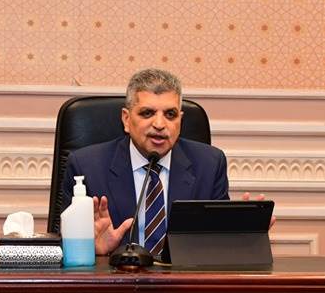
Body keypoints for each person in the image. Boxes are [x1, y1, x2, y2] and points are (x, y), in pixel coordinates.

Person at [61, 68, 230, 257]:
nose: (159, 124)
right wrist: (90, 250)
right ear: (126, 119)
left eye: (170, 114)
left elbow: (220, 245)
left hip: (183, 275)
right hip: (118, 275)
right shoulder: (86, 167)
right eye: (147, 113)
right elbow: (66, 247)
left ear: (180, 121)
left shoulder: (210, 165)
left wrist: (244, 235)